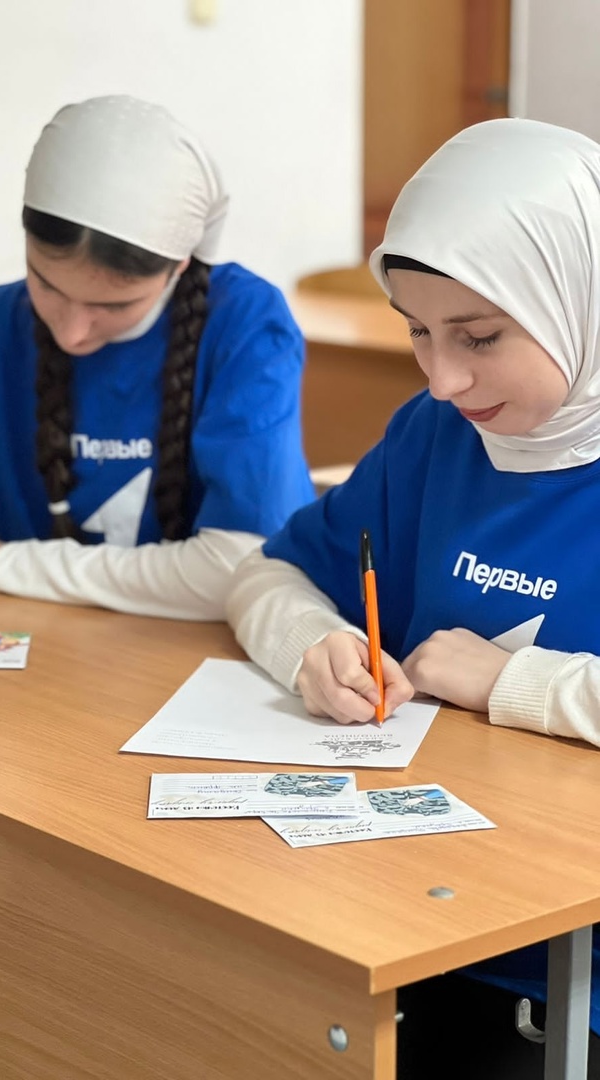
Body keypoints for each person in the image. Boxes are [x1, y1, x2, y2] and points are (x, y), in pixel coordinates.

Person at [226, 117, 600, 1077]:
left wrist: (512, 682)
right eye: (419, 333)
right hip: (410, 921)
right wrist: (309, 644)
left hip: (570, 980)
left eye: (479, 336)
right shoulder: (437, 435)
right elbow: (268, 572)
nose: (442, 379)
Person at [0, 94, 314, 619]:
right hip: (42, 644)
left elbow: (244, 567)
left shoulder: (247, 325)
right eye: (46, 284)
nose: (73, 333)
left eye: (114, 305)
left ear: (179, 266)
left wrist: (4, 562)